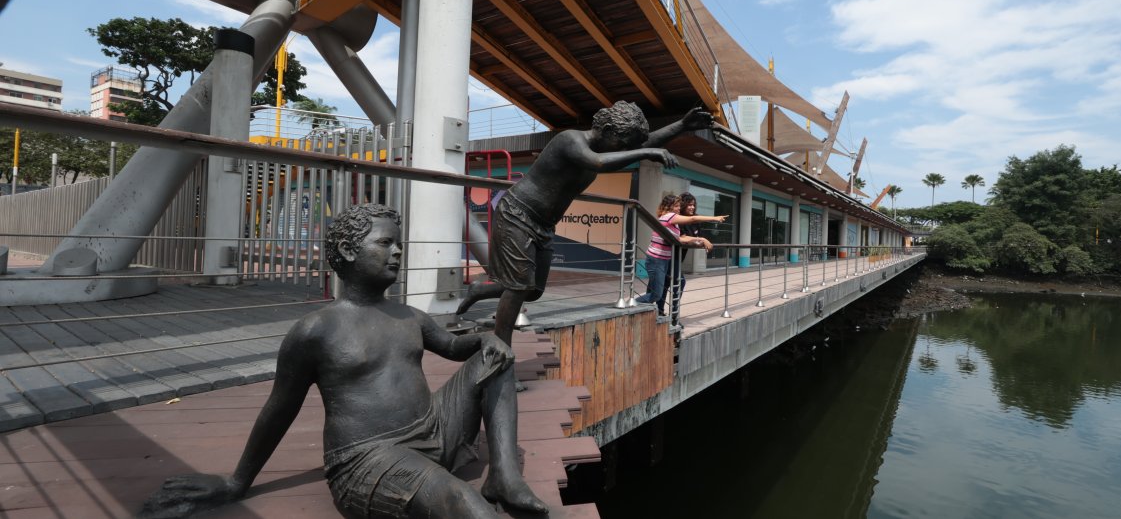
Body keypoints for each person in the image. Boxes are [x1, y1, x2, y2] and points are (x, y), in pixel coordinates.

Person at [140, 204, 546, 519]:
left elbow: (456, 350)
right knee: (461, 501)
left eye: (398, 243)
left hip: (434, 433)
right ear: (351, 251)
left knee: (497, 357)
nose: (397, 251)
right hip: (369, 461)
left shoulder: (409, 316)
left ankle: (505, 477)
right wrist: (236, 481)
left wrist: (484, 337)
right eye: (385, 243)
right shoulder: (316, 330)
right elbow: (279, 408)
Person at [455, 102, 715, 346]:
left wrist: (681, 125)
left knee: (532, 291)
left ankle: (479, 289)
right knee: (518, 287)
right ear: (609, 131)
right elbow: (599, 163)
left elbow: (645, 142)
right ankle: (499, 353)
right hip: (517, 213)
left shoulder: (604, 145)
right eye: (623, 143)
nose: (624, 149)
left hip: (544, 225)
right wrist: (650, 152)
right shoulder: (570, 140)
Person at [634, 194, 724, 314]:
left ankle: (654, 311)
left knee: (656, 292)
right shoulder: (669, 217)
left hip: (664, 260)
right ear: (669, 207)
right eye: (676, 206)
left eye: (679, 206)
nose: (678, 208)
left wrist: (701, 240)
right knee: (655, 294)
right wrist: (714, 218)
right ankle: (632, 304)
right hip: (656, 260)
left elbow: (679, 239)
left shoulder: (673, 222)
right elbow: (693, 219)